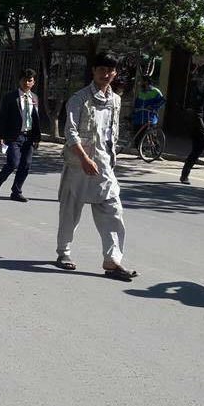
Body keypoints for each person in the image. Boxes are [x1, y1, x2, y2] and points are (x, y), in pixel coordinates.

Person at [55, 52, 138, 280]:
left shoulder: (115, 100)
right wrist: (84, 159)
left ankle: (112, 261)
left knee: (113, 210)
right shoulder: (79, 98)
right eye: (102, 69)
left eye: (111, 70)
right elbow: (70, 132)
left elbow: (112, 133)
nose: (107, 74)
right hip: (78, 165)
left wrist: (110, 160)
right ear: (93, 70)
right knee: (70, 212)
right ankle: (64, 253)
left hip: (104, 166)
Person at [0, 68, 44, 202]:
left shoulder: (35, 98)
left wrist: (37, 138)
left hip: (29, 137)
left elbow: (36, 118)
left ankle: (16, 191)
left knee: (26, 164)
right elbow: (3, 117)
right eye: (24, 80)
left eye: (30, 80)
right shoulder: (10, 97)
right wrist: (0, 136)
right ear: (20, 81)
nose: (27, 83)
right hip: (14, 136)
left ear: (33, 82)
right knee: (13, 163)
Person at [132, 75, 166, 148]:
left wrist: (153, 107)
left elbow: (162, 101)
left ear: (146, 82)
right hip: (139, 117)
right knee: (138, 136)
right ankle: (140, 152)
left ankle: (156, 152)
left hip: (150, 117)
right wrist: (135, 110)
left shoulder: (155, 91)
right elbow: (137, 103)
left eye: (141, 81)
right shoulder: (141, 92)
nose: (139, 83)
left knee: (152, 136)